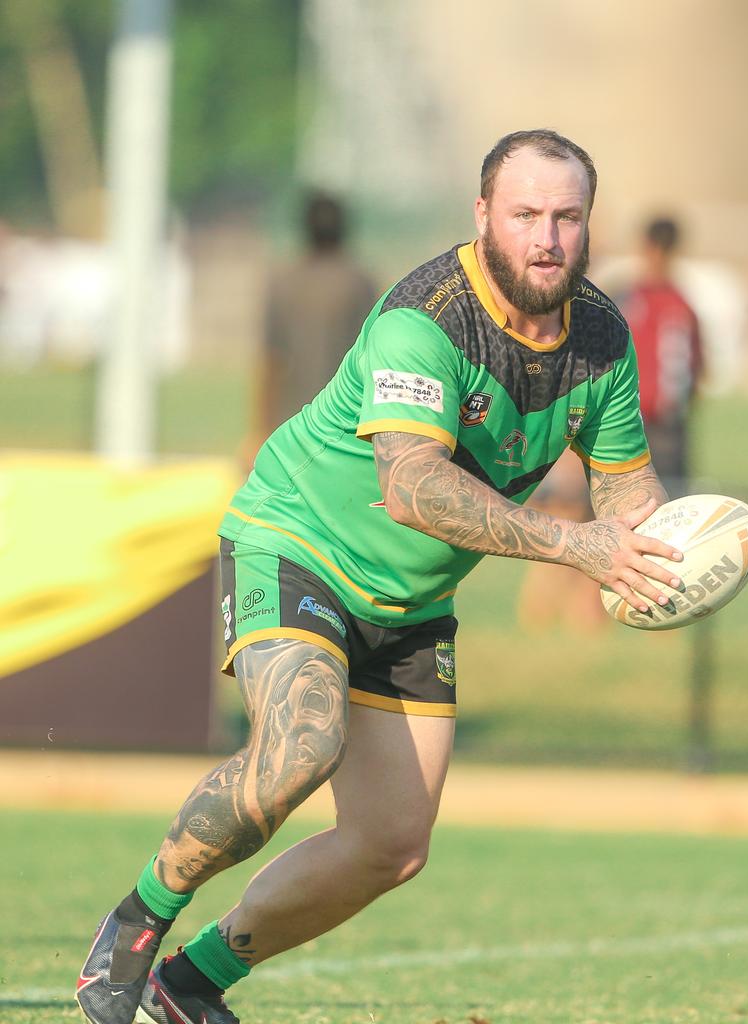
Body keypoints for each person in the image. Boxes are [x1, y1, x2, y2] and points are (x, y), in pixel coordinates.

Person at [76, 129, 685, 1024]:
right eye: (525, 216)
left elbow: (626, 484)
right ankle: (135, 926)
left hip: (410, 603)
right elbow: (412, 486)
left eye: (567, 217)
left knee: (391, 847)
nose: (547, 238)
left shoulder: (600, 336)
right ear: (484, 216)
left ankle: (189, 983)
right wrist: (576, 548)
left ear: (591, 224)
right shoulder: (426, 318)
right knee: (299, 748)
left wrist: (671, 550)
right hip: (300, 544)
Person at [240, 191, 378, 470]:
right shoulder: (359, 283)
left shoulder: (284, 283)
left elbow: (270, 363)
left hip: (292, 426)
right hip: (347, 422)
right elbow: (376, 357)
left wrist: (258, 430)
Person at [617, 217, 704, 496]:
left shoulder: (625, 300)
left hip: (648, 423)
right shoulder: (680, 305)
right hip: (640, 421)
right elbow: (698, 371)